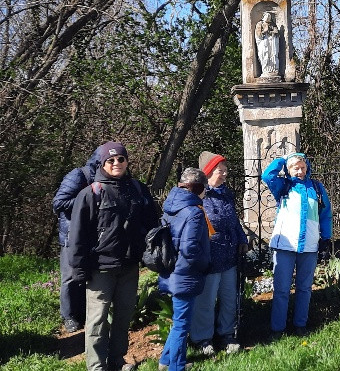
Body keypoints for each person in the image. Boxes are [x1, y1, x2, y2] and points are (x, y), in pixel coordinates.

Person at [67, 142, 158, 371]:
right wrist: (78, 270)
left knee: (123, 317)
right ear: (102, 163)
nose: (116, 163)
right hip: (100, 268)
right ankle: (96, 366)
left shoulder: (138, 189)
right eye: (111, 160)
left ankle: (117, 360)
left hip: (129, 266)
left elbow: (151, 224)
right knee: (97, 321)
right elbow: (77, 236)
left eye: (121, 159)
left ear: (127, 161)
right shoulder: (90, 194)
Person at [261, 152, 332, 338]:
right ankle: (278, 328)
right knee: (282, 289)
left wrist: (326, 238)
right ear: (289, 170)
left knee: (304, 288)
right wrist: (283, 160)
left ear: (307, 167)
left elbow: (325, 214)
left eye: (302, 167)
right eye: (295, 168)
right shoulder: (283, 186)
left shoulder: (316, 188)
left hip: (309, 245)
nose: (299, 171)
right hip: (285, 244)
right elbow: (266, 175)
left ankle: (300, 325)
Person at [190, 151, 249, 355]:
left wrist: (241, 239)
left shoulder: (226, 194)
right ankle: (203, 339)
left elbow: (234, 221)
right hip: (209, 256)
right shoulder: (198, 195)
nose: (224, 174)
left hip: (229, 255)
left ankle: (227, 334)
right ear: (207, 173)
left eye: (225, 171)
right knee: (206, 301)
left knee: (228, 298)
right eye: (219, 171)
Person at [158, 168, 212, 371]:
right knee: (182, 324)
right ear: (197, 188)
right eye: (204, 188)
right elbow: (190, 248)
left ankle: (165, 360)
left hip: (171, 270)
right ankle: (177, 366)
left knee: (179, 319)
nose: (206, 192)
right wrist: (204, 265)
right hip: (186, 273)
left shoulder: (170, 206)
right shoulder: (194, 212)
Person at [52, 146, 101, 333]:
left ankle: (82, 313)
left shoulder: (104, 178)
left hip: (91, 236)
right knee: (70, 277)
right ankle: (68, 316)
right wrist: (88, 199)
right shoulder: (78, 176)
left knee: (85, 275)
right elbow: (58, 203)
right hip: (71, 236)